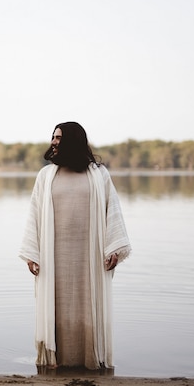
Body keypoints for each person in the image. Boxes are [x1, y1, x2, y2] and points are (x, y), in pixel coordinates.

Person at [19, 121, 131, 373]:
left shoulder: (98, 174)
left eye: (59, 137)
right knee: (56, 306)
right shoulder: (46, 175)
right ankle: (55, 361)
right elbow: (34, 214)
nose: (54, 142)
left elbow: (112, 211)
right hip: (53, 255)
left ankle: (87, 360)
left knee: (85, 305)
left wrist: (113, 249)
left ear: (73, 141)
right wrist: (32, 253)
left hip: (89, 255)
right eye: (53, 137)